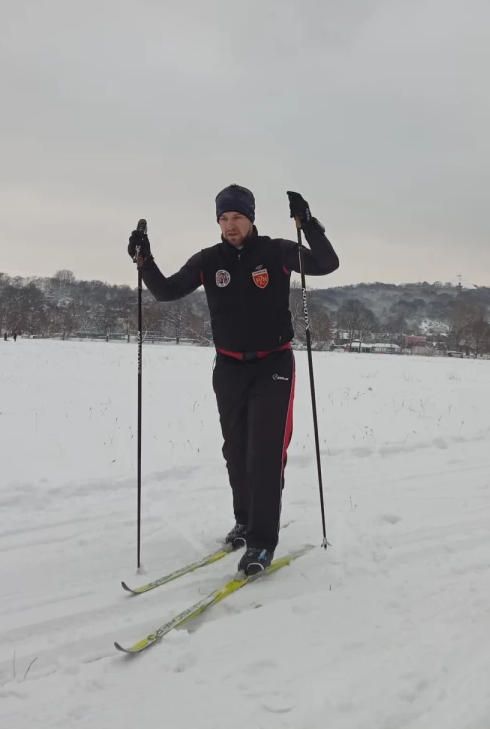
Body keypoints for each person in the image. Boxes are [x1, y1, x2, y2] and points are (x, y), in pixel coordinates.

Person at [128, 185, 339, 575]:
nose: (230, 225)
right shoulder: (210, 260)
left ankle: (261, 542)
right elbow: (167, 291)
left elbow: (327, 264)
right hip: (228, 368)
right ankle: (245, 522)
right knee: (237, 451)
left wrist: (308, 225)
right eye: (223, 218)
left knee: (264, 453)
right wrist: (145, 261)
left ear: (251, 217)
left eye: (237, 217)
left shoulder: (275, 251)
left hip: (273, 364)